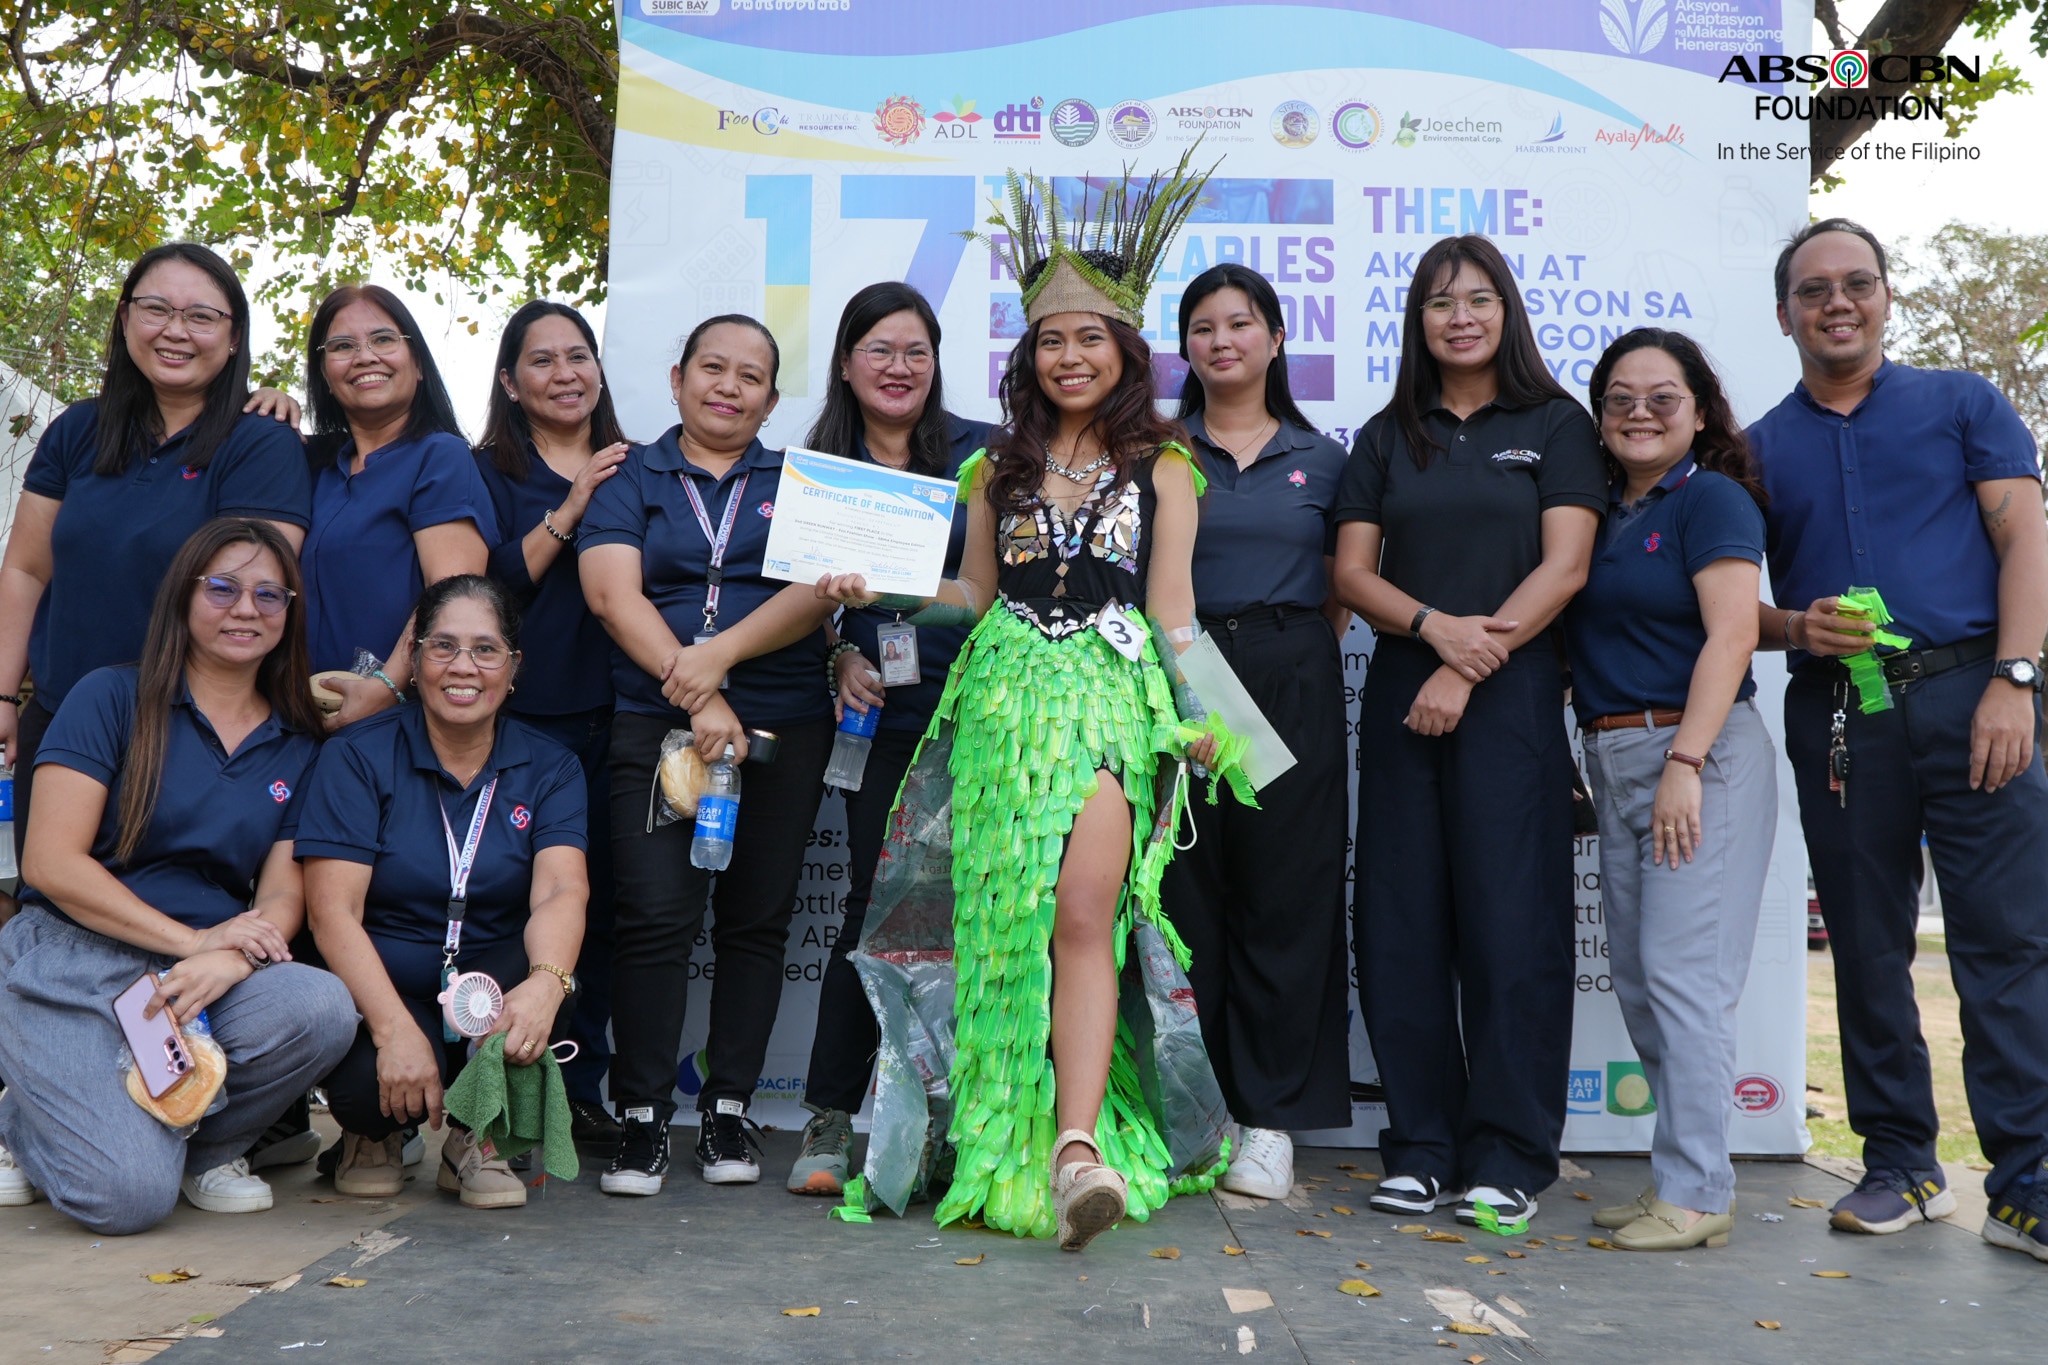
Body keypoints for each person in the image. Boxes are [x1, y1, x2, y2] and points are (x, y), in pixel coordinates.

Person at [817, 156, 1234, 1250]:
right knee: (1004, 923)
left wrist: (1223, 730)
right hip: (999, 708)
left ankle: (1077, 1146)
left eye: (1090, 338)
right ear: (1028, 356)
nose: (1069, 356)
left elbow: (1175, 615)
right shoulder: (987, 470)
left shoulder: (1167, 465)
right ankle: (998, 1135)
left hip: (1105, 703)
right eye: (1051, 340)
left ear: (1124, 350)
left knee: (1086, 913)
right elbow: (969, 594)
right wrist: (882, 589)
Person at [1749, 218, 2048, 1262]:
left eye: (1856, 283)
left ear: (1885, 297)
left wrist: (2014, 678)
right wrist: (1794, 627)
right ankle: (1899, 1165)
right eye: (1813, 289)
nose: (1836, 302)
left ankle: (2027, 1184)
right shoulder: (1753, 449)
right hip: (1841, 713)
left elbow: (2024, 536)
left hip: (1977, 696)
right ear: (1782, 313)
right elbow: (1724, 605)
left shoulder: (1963, 402)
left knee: (2005, 942)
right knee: (1866, 942)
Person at [1332, 234, 1604, 1229]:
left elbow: (1564, 566)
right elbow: (1350, 573)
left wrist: (1463, 659)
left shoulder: (1555, 423)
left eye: (1479, 299)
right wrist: (1429, 629)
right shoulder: (1386, 434)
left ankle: (1510, 1154)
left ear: (1507, 312)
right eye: (1441, 302)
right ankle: (1420, 1148)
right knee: (1400, 923)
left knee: (1510, 926)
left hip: (1511, 697)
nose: (1460, 317)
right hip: (1404, 694)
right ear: (1417, 320)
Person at [0, 519, 355, 1231]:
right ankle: (25, 1120)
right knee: (126, 1200)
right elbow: (49, 862)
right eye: (222, 588)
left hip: (195, 978)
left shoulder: (297, 742)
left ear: (289, 613)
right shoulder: (109, 697)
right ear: (183, 597)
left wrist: (230, 957)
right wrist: (194, 942)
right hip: (74, 962)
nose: (246, 609)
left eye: (269, 594)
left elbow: (282, 891)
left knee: (321, 1006)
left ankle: (203, 1151)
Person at [579, 315, 839, 1195]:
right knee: (655, 916)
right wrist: (700, 693)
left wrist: (719, 658)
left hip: (785, 726)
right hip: (658, 725)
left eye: (750, 376)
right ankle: (643, 1115)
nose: (729, 386)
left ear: (771, 397)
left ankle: (729, 1109)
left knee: (756, 920)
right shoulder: (632, 474)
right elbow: (611, 594)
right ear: (678, 377)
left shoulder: (799, 479)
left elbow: (814, 593)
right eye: (713, 368)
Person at [1563, 329, 1775, 1252]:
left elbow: (1733, 634)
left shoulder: (1712, 496)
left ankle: (1698, 1191)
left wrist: (1686, 763)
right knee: (1645, 983)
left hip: (1698, 756)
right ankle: (1678, 1176)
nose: (1639, 413)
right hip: (1614, 754)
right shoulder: (1602, 510)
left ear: (1699, 409)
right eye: (1620, 398)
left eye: (1662, 397)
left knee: (1686, 979)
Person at [0, 243, 309, 867]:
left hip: (184, 734)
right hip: (59, 720)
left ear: (233, 337)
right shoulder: (76, 431)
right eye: (156, 309)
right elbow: (27, 570)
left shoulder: (260, 445)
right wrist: (5, 696)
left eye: (201, 316)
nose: (175, 330)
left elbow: (246, 604)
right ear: (124, 318)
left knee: (164, 910)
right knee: (49, 900)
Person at [785, 282, 990, 1198]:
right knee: (875, 913)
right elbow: (792, 600)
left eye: (916, 351)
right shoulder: (820, 467)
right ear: (845, 362)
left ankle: (961, 1127)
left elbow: (1002, 587)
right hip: (879, 723)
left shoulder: (984, 456)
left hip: (984, 719)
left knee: (980, 920)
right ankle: (831, 1115)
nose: (898, 367)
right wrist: (836, 655)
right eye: (879, 349)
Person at [298, 575, 587, 1210]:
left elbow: (562, 891)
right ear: (416, 657)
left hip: (489, 981)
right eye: (444, 646)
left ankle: (477, 1139)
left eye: (486, 649)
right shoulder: (356, 755)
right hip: (386, 979)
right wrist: (391, 1030)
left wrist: (546, 983)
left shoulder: (552, 765)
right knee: (363, 1085)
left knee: (554, 980)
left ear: (513, 667)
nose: (463, 667)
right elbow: (331, 912)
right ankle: (372, 1135)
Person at [1157, 263, 1351, 1199]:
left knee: (1285, 895)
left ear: (1276, 338)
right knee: (1185, 898)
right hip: (1180, 672)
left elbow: (1342, 591)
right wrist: (1198, 686)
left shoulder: (1327, 458)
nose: (1221, 340)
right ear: (1184, 350)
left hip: (1290, 671)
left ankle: (1269, 1120)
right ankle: (1201, 1114)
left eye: (1240, 323)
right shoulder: (1159, 453)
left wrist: (1283, 659)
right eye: (1202, 327)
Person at [474, 301, 631, 1150]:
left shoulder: (639, 464)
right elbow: (487, 592)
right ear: (510, 382)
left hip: (625, 721)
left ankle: (579, 1087)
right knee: (514, 907)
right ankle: (494, 1085)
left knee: (600, 914)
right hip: (522, 727)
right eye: (542, 360)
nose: (565, 373)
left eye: (579, 356)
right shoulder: (484, 471)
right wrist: (571, 506)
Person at [299, 285, 495, 727]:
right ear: (325, 375)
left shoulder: (440, 457)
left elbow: (451, 597)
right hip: (302, 717)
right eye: (343, 346)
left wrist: (385, 688)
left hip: (395, 720)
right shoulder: (314, 468)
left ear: (418, 364)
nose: (364, 356)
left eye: (383, 339)